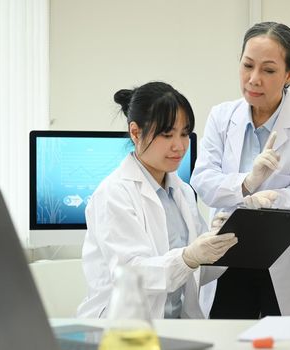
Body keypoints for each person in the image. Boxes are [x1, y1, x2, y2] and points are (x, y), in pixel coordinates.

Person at [190, 22, 290, 318]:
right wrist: (246, 184)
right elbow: (202, 179)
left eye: (268, 70)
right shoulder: (222, 116)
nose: (254, 79)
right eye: (247, 66)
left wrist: (273, 199)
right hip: (226, 252)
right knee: (226, 336)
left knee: (282, 339)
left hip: (281, 255)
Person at [77, 82, 238, 319]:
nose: (179, 145)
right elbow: (132, 274)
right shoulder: (113, 193)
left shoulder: (182, 191)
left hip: (177, 326)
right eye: (166, 134)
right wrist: (188, 256)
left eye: (184, 134)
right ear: (135, 132)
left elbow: (195, 276)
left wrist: (219, 245)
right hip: (123, 328)